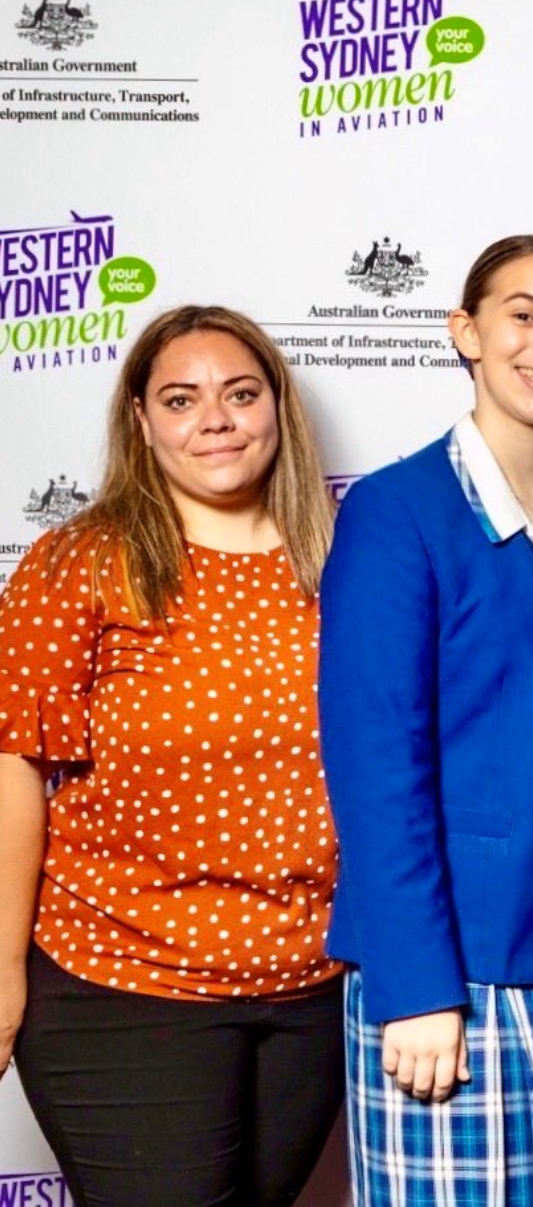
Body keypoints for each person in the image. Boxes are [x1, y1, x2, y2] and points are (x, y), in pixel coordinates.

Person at [318, 235, 533, 1206]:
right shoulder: (397, 512)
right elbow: (375, 767)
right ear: (465, 332)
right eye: (520, 313)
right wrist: (415, 983)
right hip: (460, 969)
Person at [0, 305, 341, 1206]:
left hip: (311, 989)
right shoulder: (81, 561)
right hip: (125, 984)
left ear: (278, 405)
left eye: (239, 393)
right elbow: (14, 767)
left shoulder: (345, 558)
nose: (215, 419)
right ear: (143, 422)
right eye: (181, 399)